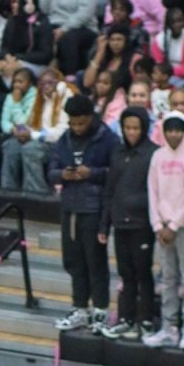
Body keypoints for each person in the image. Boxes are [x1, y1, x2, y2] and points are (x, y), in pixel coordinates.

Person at [49, 93, 118, 332]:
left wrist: (93, 173)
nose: (77, 128)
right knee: (73, 261)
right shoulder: (65, 139)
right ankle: (80, 308)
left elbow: (117, 172)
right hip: (70, 207)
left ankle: (100, 310)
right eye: (73, 123)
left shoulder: (107, 138)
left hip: (94, 208)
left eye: (81, 123)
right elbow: (52, 169)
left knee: (95, 262)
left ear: (91, 117)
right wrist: (62, 175)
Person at [98, 106, 157, 340]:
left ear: (144, 128)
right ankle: (126, 319)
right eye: (127, 127)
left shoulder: (153, 153)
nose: (131, 132)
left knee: (143, 273)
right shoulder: (117, 153)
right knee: (126, 273)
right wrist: (105, 224)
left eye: (136, 128)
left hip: (142, 224)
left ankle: (146, 321)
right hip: (120, 223)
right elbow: (110, 190)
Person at [144, 110, 184, 346]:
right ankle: (169, 328)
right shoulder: (158, 156)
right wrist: (158, 224)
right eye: (169, 129)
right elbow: (153, 192)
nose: (174, 134)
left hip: (182, 227)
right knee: (168, 278)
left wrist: (174, 223)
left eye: (178, 129)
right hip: (163, 229)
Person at [1, 67, 71, 191]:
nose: (46, 86)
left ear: (59, 83)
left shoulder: (65, 97)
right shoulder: (41, 99)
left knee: (31, 149)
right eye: (43, 83)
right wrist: (21, 131)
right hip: (39, 139)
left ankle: (36, 193)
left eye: (50, 82)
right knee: (10, 145)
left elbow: (62, 131)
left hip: (58, 144)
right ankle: (8, 191)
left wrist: (33, 135)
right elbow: (30, 124)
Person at [38, 0, 98, 76]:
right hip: (55, 24)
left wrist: (64, 29)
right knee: (41, 30)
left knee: (68, 38)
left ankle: (70, 76)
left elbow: (85, 13)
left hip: (83, 27)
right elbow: (44, 9)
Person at [0, 0, 55, 81]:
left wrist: (18, 58)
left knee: (12, 71)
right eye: (13, 2)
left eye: (16, 2)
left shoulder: (42, 23)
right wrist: (8, 57)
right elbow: (4, 47)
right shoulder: (12, 21)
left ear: (28, 6)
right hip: (13, 60)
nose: (13, 5)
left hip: (37, 65)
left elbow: (45, 55)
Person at [152, 7, 184, 83]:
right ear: (168, 24)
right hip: (165, 78)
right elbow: (159, 67)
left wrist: (171, 71)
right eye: (174, 22)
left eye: (180, 21)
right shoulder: (159, 40)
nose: (179, 24)